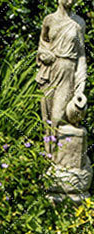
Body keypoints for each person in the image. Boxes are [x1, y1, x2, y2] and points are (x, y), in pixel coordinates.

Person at [36, 0, 87, 154]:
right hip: (49, 71)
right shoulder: (49, 20)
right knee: (47, 119)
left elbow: (81, 55)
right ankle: (50, 159)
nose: (71, 0)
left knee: (58, 118)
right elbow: (42, 44)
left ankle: (61, 157)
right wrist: (43, 54)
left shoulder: (78, 23)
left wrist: (81, 83)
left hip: (67, 72)